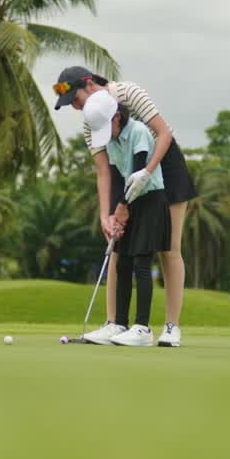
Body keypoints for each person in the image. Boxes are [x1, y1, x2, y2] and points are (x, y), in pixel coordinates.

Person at [53, 67, 197, 347]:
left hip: (163, 163)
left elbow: (163, 133)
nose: (76, 107)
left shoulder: (129, 93)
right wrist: (105, 213)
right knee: (118, 247)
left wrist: (147, 172)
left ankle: (171, 326)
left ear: (90, 84)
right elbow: (104, 170)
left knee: (169, 249)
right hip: (124, 169)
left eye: (76, 99)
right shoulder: (90, 121)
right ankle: (114, 323)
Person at [83, 91, 171, 346]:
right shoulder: (112, 141)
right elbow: (119, 177)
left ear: (117, 117)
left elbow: (138, 175)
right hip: (129, 203)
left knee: (142, 263)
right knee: (122, 264)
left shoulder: (139, 132)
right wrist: (114, 213)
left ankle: (142, 328)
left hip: (150, 200)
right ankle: (119, 324)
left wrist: (122, 206)